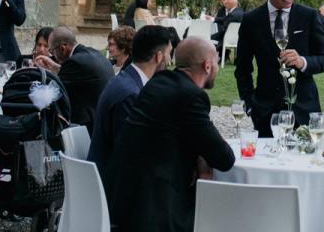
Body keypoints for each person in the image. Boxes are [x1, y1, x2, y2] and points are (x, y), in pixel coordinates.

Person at [101, 38, 235, 232]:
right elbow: (224, 158)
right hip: (155, 206)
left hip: (122, 195)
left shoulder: (158, 82)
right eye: (216, 62)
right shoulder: (191, 96)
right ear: (207, 66)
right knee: (219, 216)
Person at [235, 0, 324, 136]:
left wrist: (302, 61)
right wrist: (250, 105)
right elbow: (242, 69)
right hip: (265, 114)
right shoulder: (251, 20)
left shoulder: (309, 16)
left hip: (304, 111)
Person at [88, 25, 177, 168]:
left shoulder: (124, 79)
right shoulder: (131, 94)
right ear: (158, 56)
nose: (169, 60)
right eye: (169, 53)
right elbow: (131, 152)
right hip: (112, 181)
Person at [39, 26, 114, 128]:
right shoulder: (91, 52)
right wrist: (55, 67)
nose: (52, 55)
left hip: (89, 125)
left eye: (52, 51)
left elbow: (53, 91)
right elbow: (78, 75)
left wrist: (39, 73)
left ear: (63, 48)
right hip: (106, 116)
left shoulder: (74, 62)